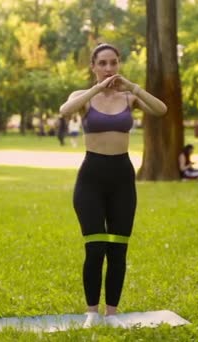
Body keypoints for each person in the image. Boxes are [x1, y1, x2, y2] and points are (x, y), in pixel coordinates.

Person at [59, 43, 167, 328]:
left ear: (119, 64)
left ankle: (112, 315)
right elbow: (64, 110)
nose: (109, 69)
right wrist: (97, 89)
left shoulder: (129, 96)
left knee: (118, 250)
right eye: (103, 63)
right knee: (95, 249)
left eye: (114, 63)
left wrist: (132, 86)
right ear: (93, 66)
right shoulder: (82, 97)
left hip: (122, 179)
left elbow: (161, 109)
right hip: (91, 179)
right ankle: (92, 313)